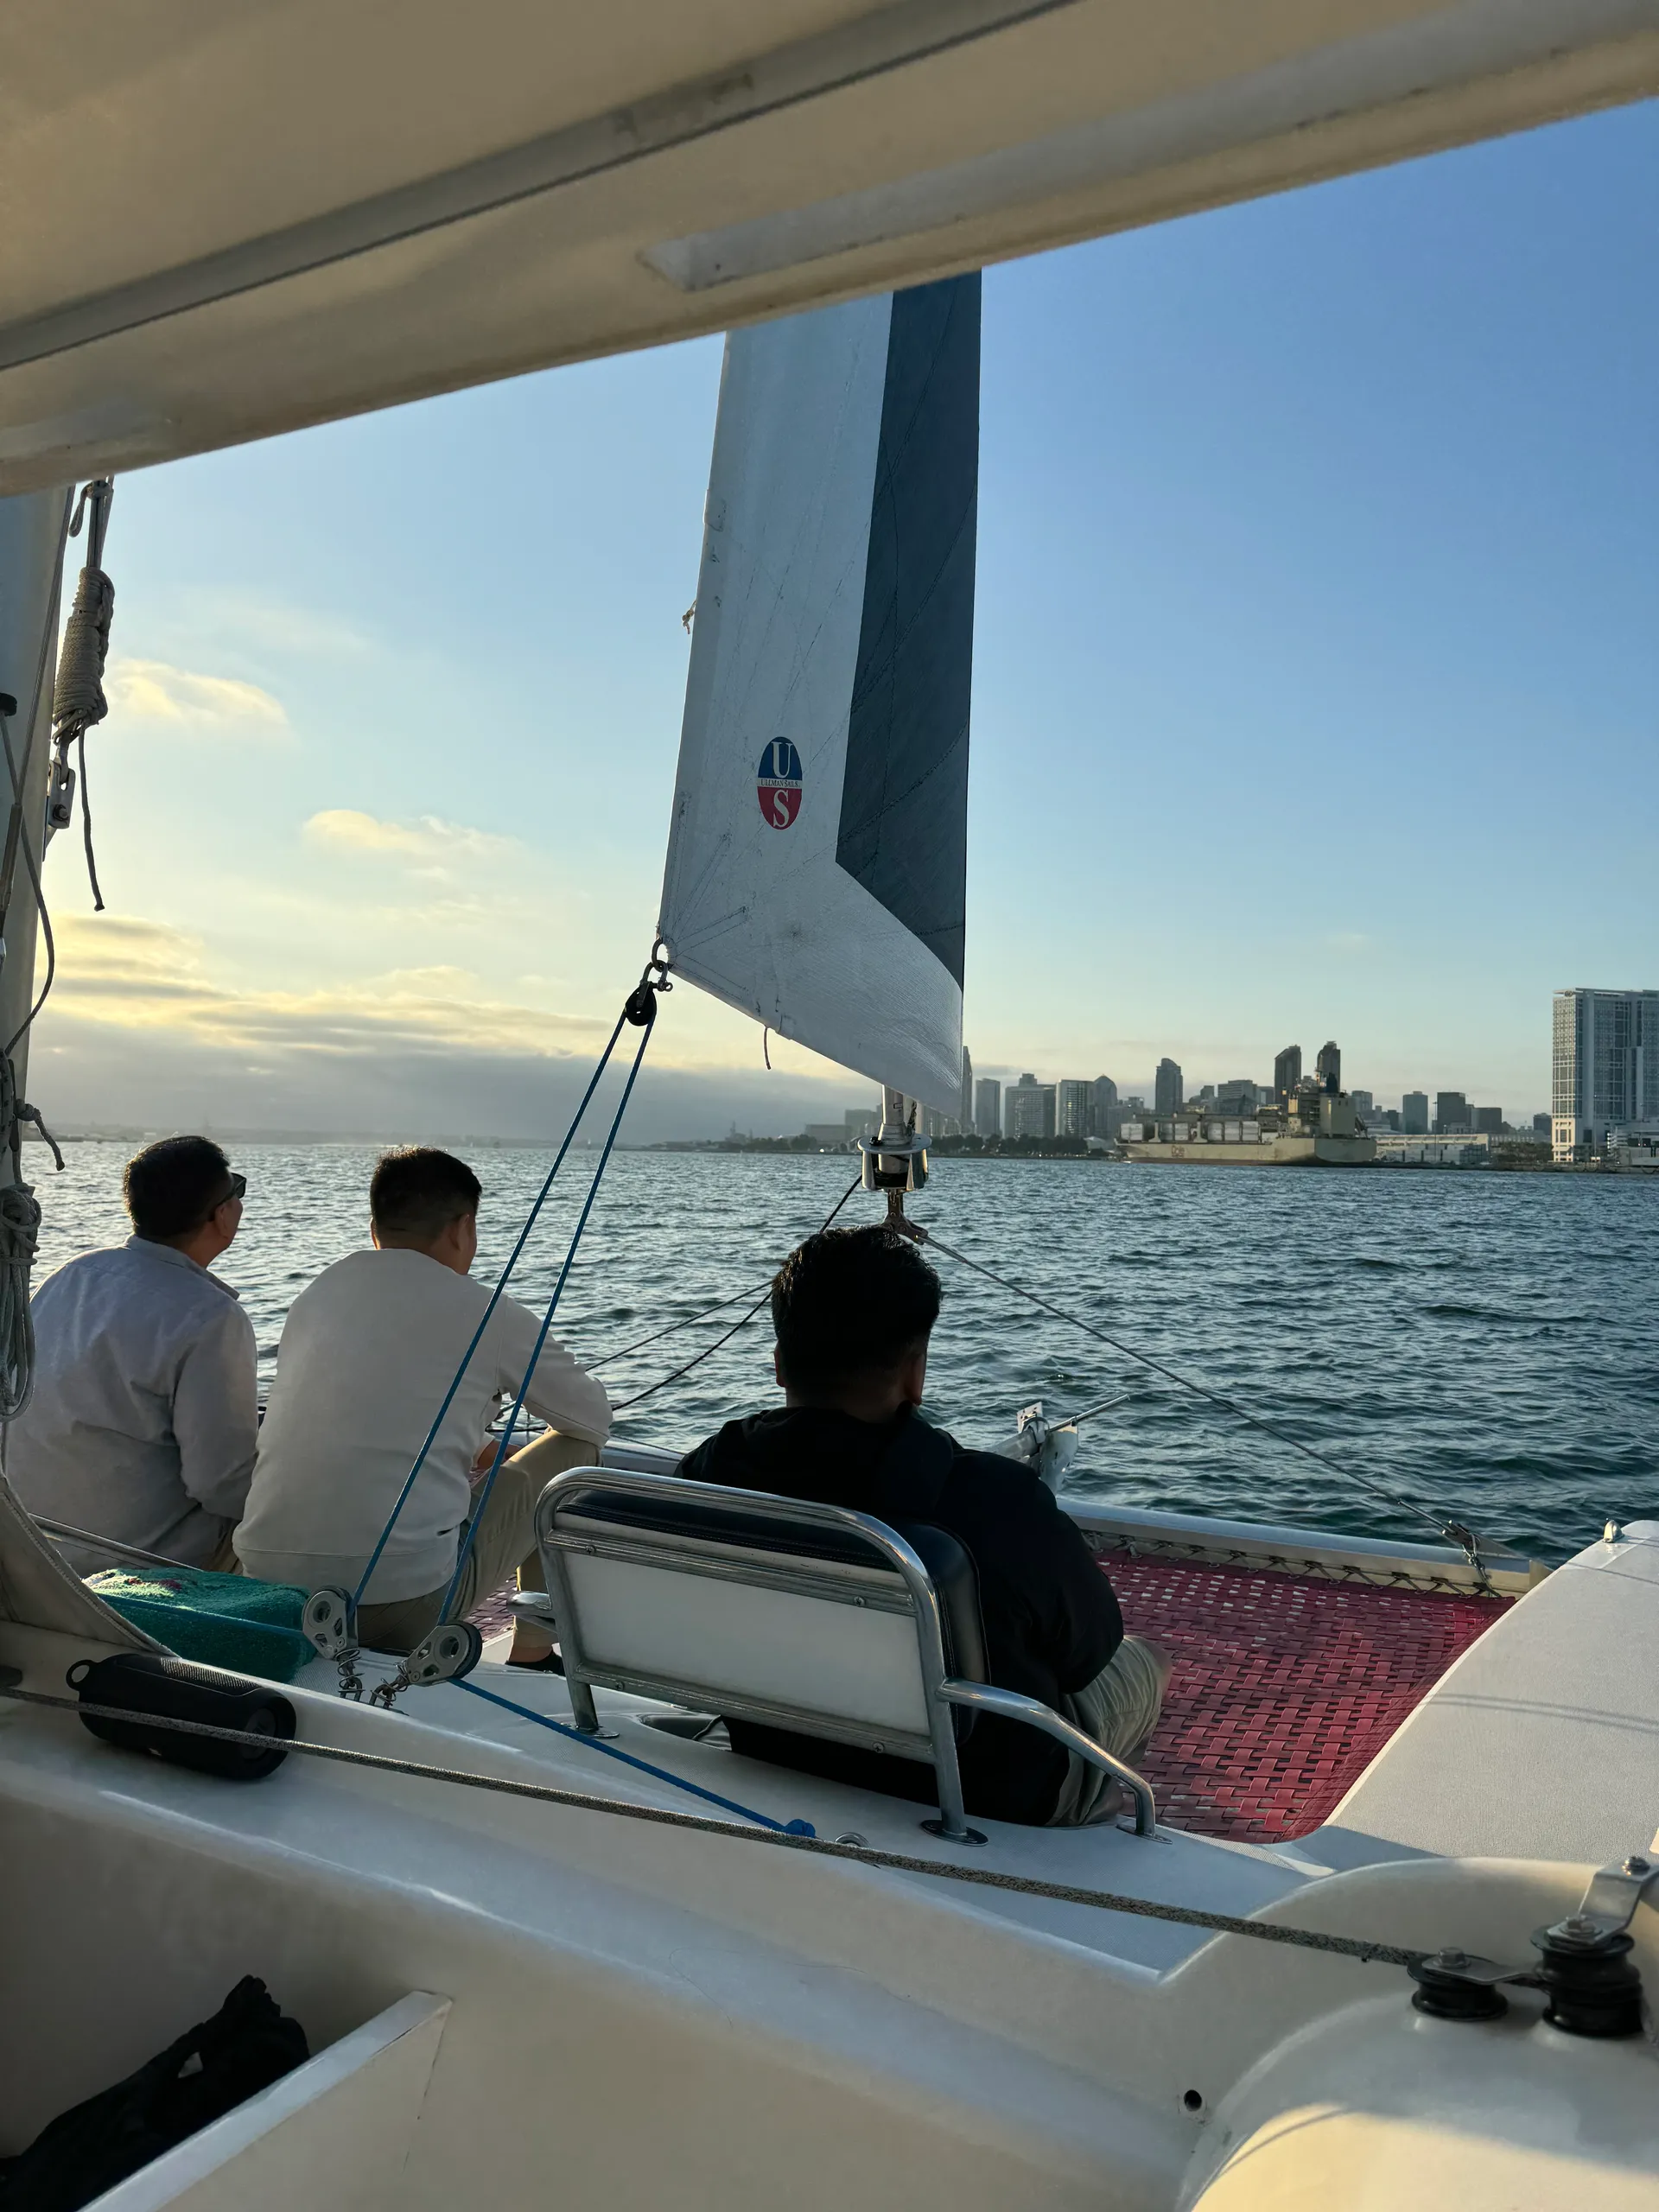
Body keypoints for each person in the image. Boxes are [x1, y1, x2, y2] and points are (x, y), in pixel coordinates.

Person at [677, 1224, 1171, 1827]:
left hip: (775, 1748)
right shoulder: (997, 1500)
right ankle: (1094, 1806)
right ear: (916, 1376)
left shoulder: (705, 1475)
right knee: (1147, 1661)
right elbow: (1088, 1654)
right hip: (993, 1793)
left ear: (780, 1365)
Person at [235, 1147, 609, 1659]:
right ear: (463, 1228)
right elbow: (592, 1420)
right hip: (395, 1606)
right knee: (575, 1455)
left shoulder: (316, 1295)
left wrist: (478, 1440)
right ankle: (533, 1652)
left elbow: (371, 1405)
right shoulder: (487, 1311)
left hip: (265, 1588)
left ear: (375, 1229)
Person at [6, 1136, 257, 1572]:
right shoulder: (211, 1317)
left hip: (33, 1550)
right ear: (222, 1215)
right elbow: (223, 1485)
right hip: (134, 1565)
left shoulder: (72, 1274)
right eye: (237, 1189)